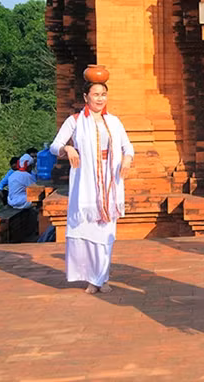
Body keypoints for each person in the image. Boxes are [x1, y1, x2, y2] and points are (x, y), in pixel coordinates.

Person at [50, 78, 133, 294]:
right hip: (85, 183)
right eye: (95, 94)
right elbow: (54, 145)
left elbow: (128, 147)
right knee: (85, 230)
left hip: (110, 183)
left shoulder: (114, 121)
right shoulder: (75, 121)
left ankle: (101, 278)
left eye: (103, 94)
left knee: (105, 233)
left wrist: (126, 160)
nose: (100, 99)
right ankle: (91, 277)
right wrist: (68, 150)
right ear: (86, 97)